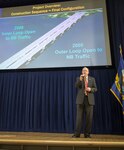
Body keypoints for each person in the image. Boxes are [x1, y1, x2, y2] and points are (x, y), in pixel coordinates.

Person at [72, 67, 97, 138]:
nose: (84, 71)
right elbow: (76, 86)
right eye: (83, 70)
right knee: (79, 118)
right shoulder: (79, 78)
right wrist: (80, 80)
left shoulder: (92, 79)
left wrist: (90, 89)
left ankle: (87, 134)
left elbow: (95, 88)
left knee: (89, 118)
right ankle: (77, 134)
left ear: (88, 72)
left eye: (86, 70)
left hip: (89, 100)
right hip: (80, 100)